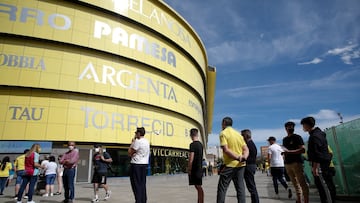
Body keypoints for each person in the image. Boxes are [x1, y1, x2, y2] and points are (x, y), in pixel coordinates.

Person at [301, 117, 336, 203]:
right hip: (324, 165)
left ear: (307, 125)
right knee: (327, 186)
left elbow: (318, 153)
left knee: (324, 188)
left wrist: (315, 167)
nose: (303, 127)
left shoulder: (315, 136)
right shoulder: (319, 134)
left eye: (303, 125)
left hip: (321, 166)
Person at [216, 117, 249, 203]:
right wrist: (243, 157)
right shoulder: (238, 135)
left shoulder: (223, 133)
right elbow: (246, 149)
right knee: (240, 188)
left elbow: (226, 150)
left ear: (224, 123)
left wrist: (238, 157)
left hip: (229, 165)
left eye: (221, 124)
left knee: (222, 188)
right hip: (241, 165)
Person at [282, 121, 309, 203]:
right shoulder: (285, 139)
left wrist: (289, 152)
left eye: (292, 126)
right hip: (287, 164)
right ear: (285, 129)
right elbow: (286, 150)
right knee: (295, 183)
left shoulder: (297, 137)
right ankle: (299, 199)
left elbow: (303, 149)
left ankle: (306, 200)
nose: (290, 128)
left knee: (302, 183)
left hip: (296, 163)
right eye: (288, 127)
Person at [128, 127, 150, 203]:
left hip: (136, 164)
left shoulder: (138, 141)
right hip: (144, 165)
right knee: (142, 184)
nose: (135, 134)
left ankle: (138, 201)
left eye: (136, 133)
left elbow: (130, 152)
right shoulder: (147, 141)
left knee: (136, 185)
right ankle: (143, 200)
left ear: (139, 133)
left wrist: (132, 143)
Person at [241, 129, 260, 203]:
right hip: (251, 166)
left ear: (246, 136)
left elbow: (247, 157)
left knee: (251, 186)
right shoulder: (251, 143)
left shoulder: (249, 145)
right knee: (251, 186)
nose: (241, 137)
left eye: (242, 135)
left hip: (249, 167)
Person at [187, 128, 204, 203]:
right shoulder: (200, 145)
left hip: (195, 169)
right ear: (197, 134)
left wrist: (189, 169)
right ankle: (200, 201)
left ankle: (201, 201)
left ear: (191, 135)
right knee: (198, 186)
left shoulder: (192, 145)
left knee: (198, 187)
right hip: (199, 168)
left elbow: (191, 158)